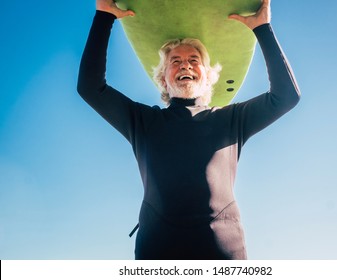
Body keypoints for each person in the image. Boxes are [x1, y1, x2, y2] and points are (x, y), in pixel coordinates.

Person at [77, 0, 300, 259]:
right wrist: (103, 17)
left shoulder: (232, 120)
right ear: (163, 78)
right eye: (176, 61)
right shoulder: (143, 121)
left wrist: (263, 28)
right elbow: (90, 88)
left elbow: (286, 96)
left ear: (207, 76)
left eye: (194, 60)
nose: (185, 65)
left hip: (223, 255)